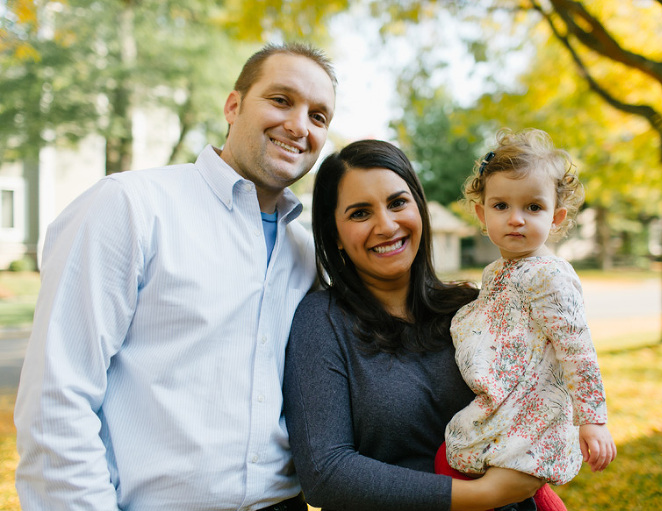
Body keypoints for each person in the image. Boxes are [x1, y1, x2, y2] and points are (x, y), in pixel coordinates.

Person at [14, 42, 337, 511]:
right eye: (281, 99)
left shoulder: (306, 251)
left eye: (318, 116)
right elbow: (55, 400)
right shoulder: (129, 207)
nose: (298, 125)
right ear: (233, 105)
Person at [283, 139, 568, 511]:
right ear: (334, 232)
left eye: (398, 202)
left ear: (419, 207)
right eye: (359, 213)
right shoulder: (322, 322)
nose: (386, 225)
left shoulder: (473, 305)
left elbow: (541, 392)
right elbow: (326, 474)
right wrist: (481, 496)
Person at [435, 128, 616, 495]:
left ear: (556, 218)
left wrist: (592, 420)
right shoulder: (496, 272)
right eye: (501, 206)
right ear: (481, 214)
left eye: (533, 207)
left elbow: (577, 348)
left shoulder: (550, 275)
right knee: (447, 460)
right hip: (500, 402)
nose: (516, 218)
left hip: (531, 413)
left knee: (480, 475)